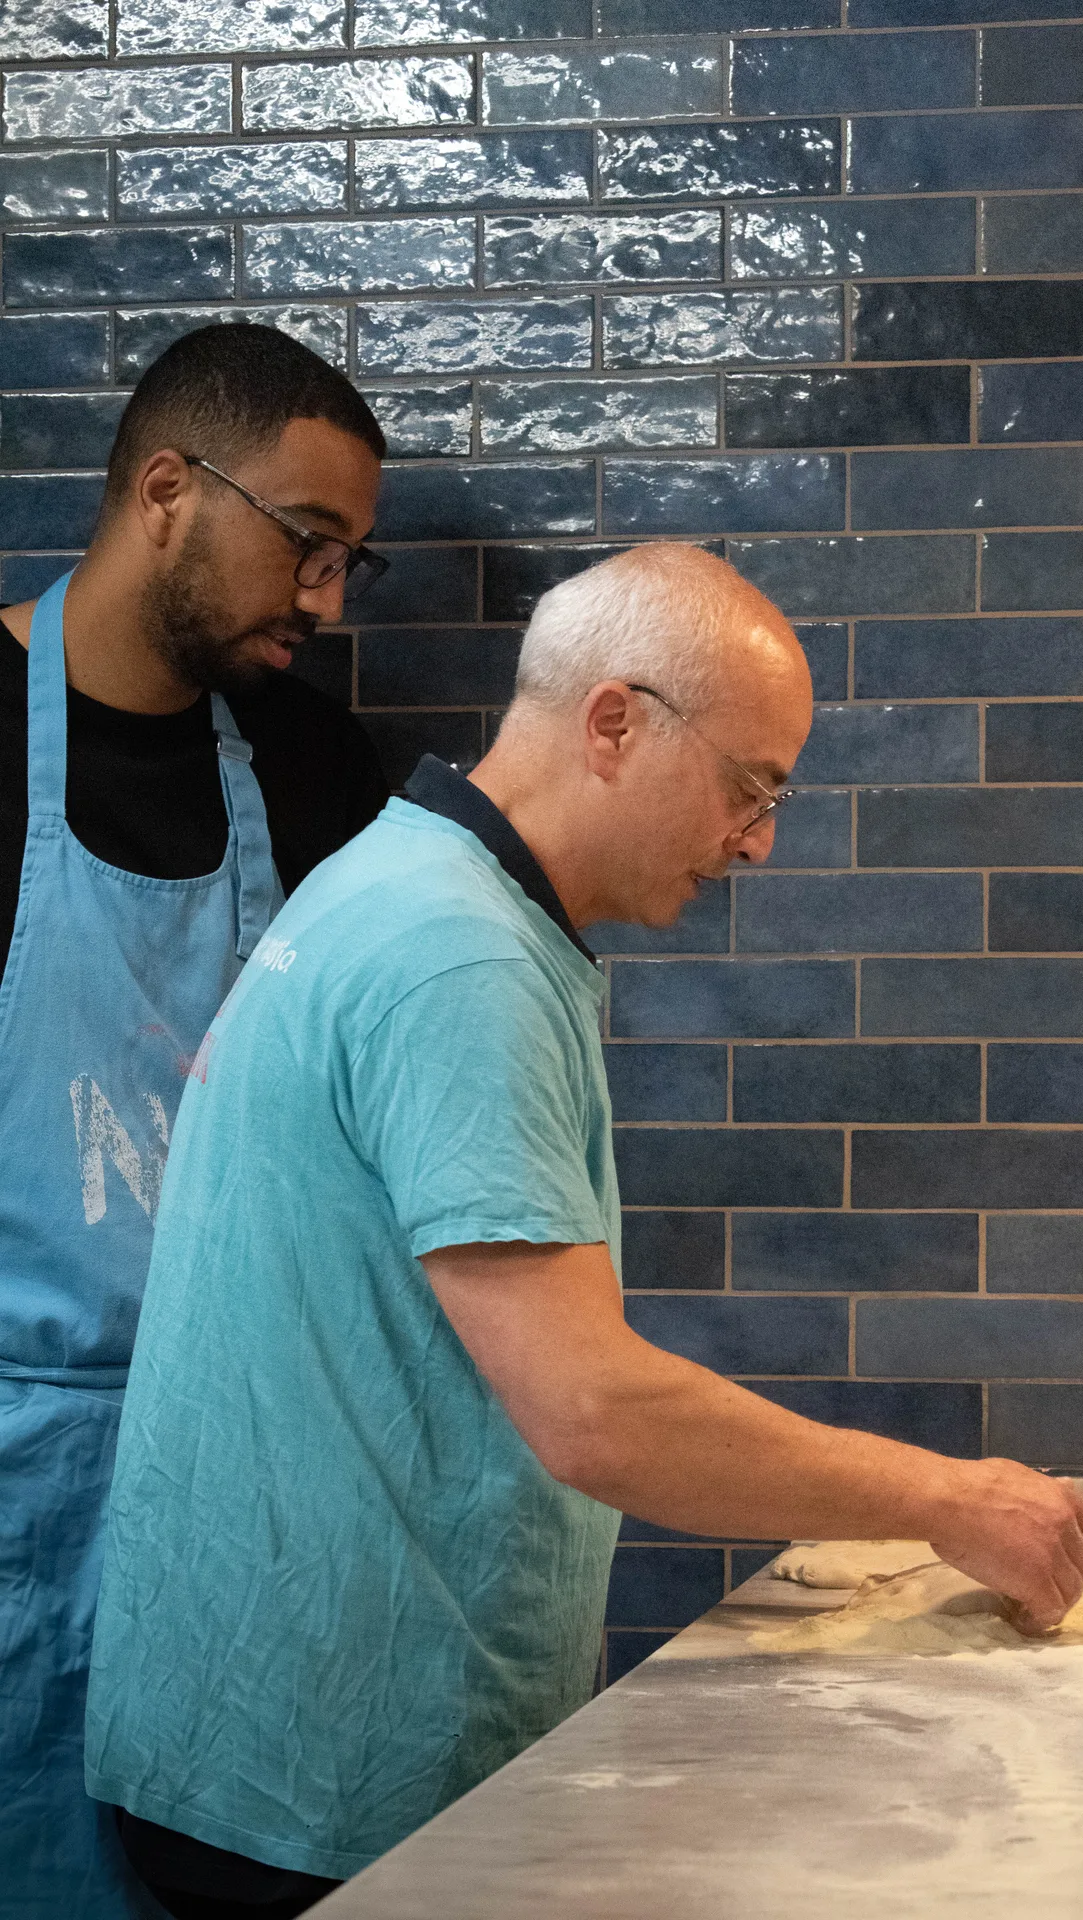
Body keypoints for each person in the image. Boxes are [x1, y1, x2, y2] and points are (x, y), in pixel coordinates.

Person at [84, 545, 1083, 1915]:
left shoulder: (411, 887)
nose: (759, 840)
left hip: (265, 1729)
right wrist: (945, 1500)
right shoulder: (455, 957)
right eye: (751, 787)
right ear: (616, 723)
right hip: (314, 1776)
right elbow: (595, 1411)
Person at [0, 322, 392, 1919]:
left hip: (245, 1480)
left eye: (350, 559)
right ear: (167, 488)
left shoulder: (312, 765)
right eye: (308, 544)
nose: (326, 598)